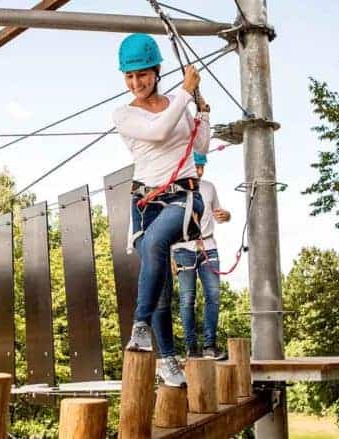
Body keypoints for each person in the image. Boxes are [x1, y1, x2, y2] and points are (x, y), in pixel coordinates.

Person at [112, 33, 210, 387]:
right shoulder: (123, 114)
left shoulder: (177, 103)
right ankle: (167, 361)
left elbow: (199, 145)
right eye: (129, 76)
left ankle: (139, 326)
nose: (136, 83)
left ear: (156, 72)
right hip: (144, 203)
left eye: (142, 75)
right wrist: (186, 94)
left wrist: (202, 110)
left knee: (155, 245)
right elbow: (157, 132)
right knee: (160, 285)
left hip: (183, 197)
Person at [172, 152, 231, 360]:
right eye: (195, 166)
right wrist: (171, 255)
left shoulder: (208, 187)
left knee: (213, 295)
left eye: (201, 167)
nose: (198, 171)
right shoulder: (175, 188)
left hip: (208, 245)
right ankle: (191, 347)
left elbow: (219, 213)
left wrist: (226, 215)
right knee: (187, 299)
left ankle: (210, 345)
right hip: (182, 248)